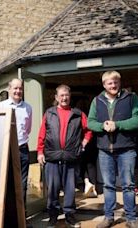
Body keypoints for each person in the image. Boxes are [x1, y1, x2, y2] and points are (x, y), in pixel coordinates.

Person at [87, 71, 138, 228]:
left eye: (115, 82)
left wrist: (118, 125)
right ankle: (108, 217)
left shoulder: (131, 98)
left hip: (127, 149)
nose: (113, 85)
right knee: (108, 185)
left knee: (128, 185)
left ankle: (131, 218)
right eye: (109, 83)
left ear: (119, 83)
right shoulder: (96, 100)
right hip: (105, 150)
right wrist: (102, 126)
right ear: (104, 85)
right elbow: (90, 122)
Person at [37, 84, 92, 228]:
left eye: (66, 95)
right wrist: (40, 152)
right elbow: (42, 134)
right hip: (52, 158)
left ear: (70, 96)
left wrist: (84, 143)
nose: (64, 98)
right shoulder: (49, 113)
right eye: (61, 95)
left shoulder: (78, 114)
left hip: (70, 157)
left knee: (69, 190)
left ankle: (69, 216)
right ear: (56, 97)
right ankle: (53, 217)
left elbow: (88, 130)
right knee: (53, 190)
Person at [0, 78, 32, 209]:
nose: (18, 91)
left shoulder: (28, 108)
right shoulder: (0, 107)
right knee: (6, 183)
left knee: (22, 184)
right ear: (9, 89)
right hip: (6, 151)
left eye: (20, 88)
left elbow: (27, 129)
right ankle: (8, 218)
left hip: (22, 150)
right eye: (15, 88)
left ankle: (22, 218)